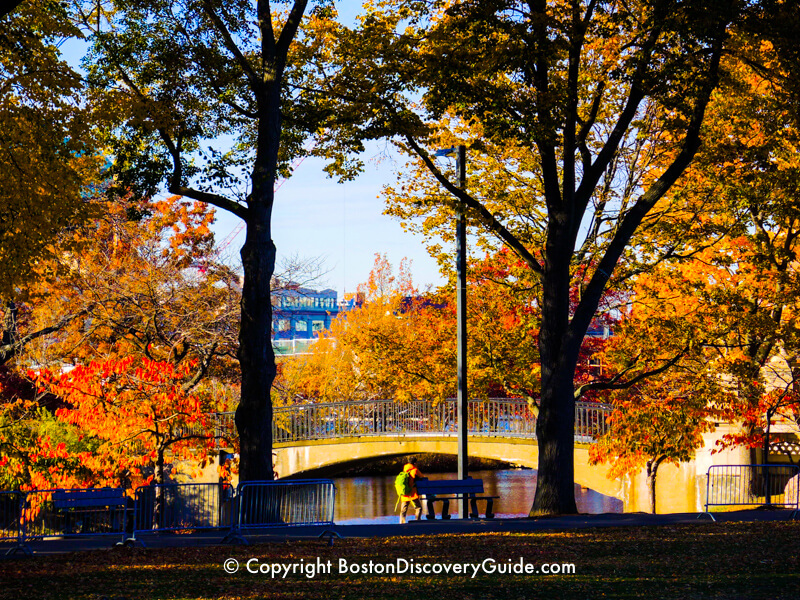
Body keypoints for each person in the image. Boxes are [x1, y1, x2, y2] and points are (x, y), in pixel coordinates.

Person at [399, 456, 424, 523]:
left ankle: (402, 522)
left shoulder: (404, 470)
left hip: (405, 493)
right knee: (418, 507)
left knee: (403, 509)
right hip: (412, 493)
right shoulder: (415, 470)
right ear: (415, 463)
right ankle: (417, 521)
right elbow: (422, 477)